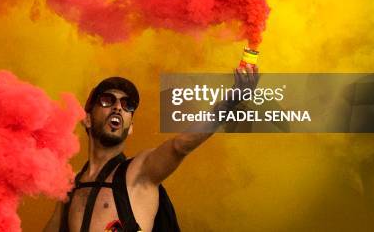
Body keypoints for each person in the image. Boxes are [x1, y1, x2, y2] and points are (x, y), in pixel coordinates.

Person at [44, 66, 259, 232]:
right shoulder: (72, 187)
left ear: (130, 127)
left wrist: (231, 101)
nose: (118, 107)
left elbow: (180, 145)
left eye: (128, 105)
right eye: (108, 100)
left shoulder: (139, 172)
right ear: (88, 120)